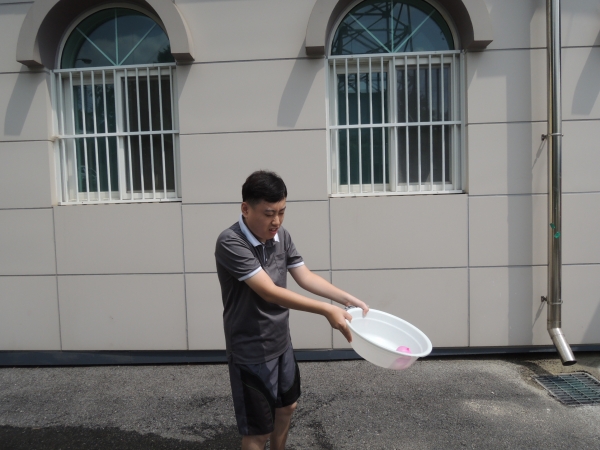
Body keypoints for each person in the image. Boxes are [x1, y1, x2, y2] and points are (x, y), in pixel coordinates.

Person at [214, 170, 369, 450]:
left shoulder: (280, 236)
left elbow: (304, 275)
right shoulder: (231, 242)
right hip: (251, 349)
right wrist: (326, 310)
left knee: (287, 407)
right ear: (245, 209)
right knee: (258, 432)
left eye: (282, 212)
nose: (276, 221)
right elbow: (269, 291)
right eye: (269, 213)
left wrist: (347, 299)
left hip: (281, 342)